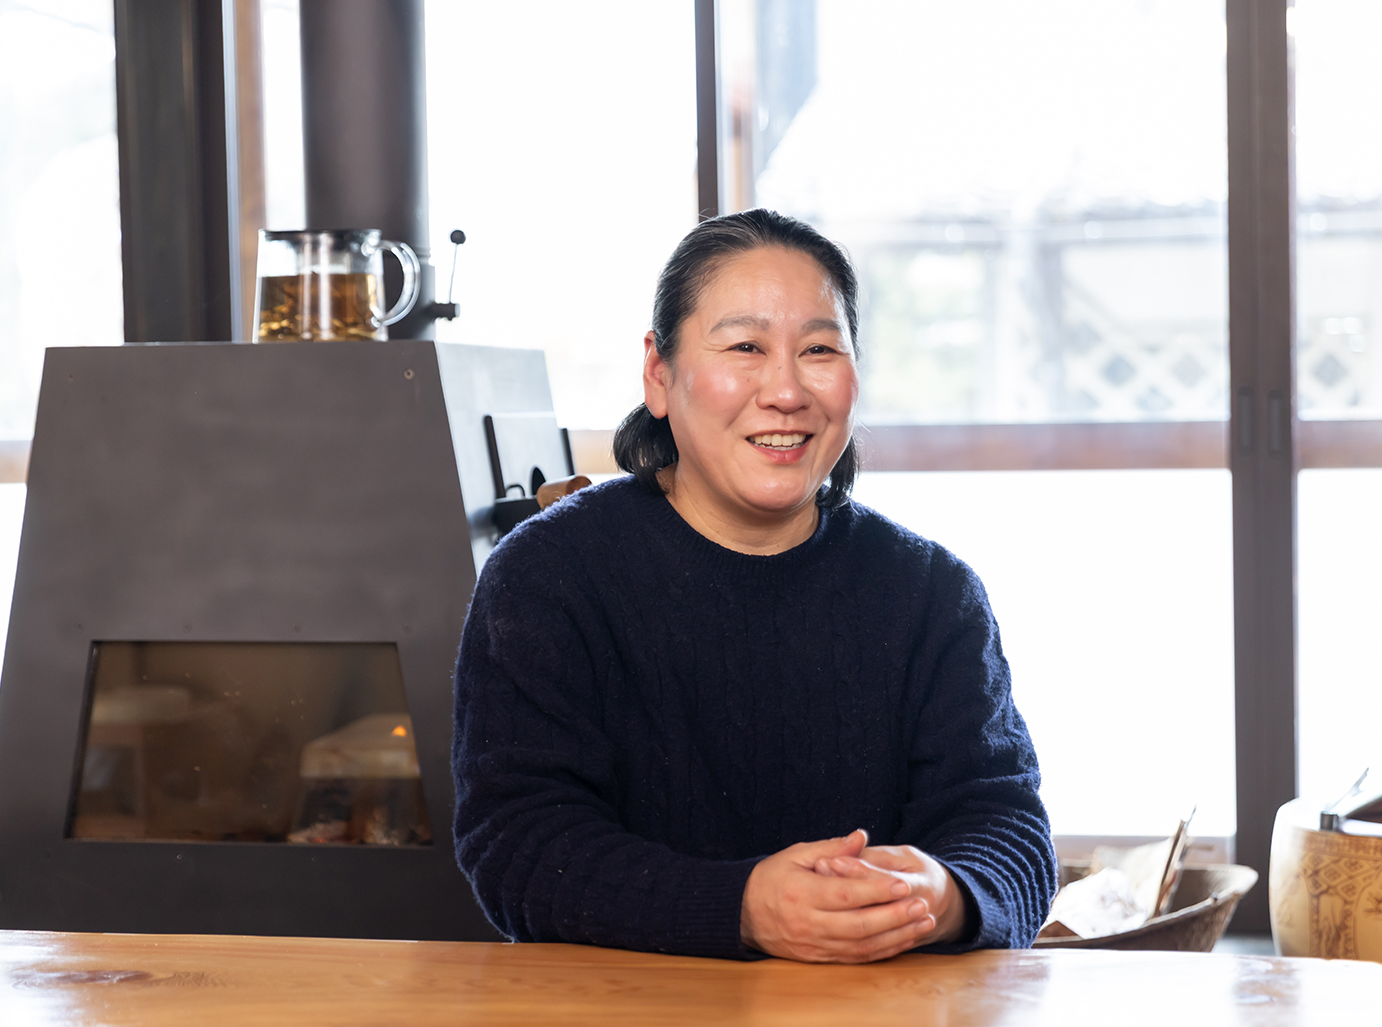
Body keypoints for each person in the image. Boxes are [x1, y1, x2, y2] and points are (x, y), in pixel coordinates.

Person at [452, 209, 1056, 964]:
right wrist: (740, 907)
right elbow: (518, 843)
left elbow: (1007, 830)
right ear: (659, 373)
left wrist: (940, 894)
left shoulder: (931, 592)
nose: (786, 391)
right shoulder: (550, 574)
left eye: (819, 349)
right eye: (745, 346)